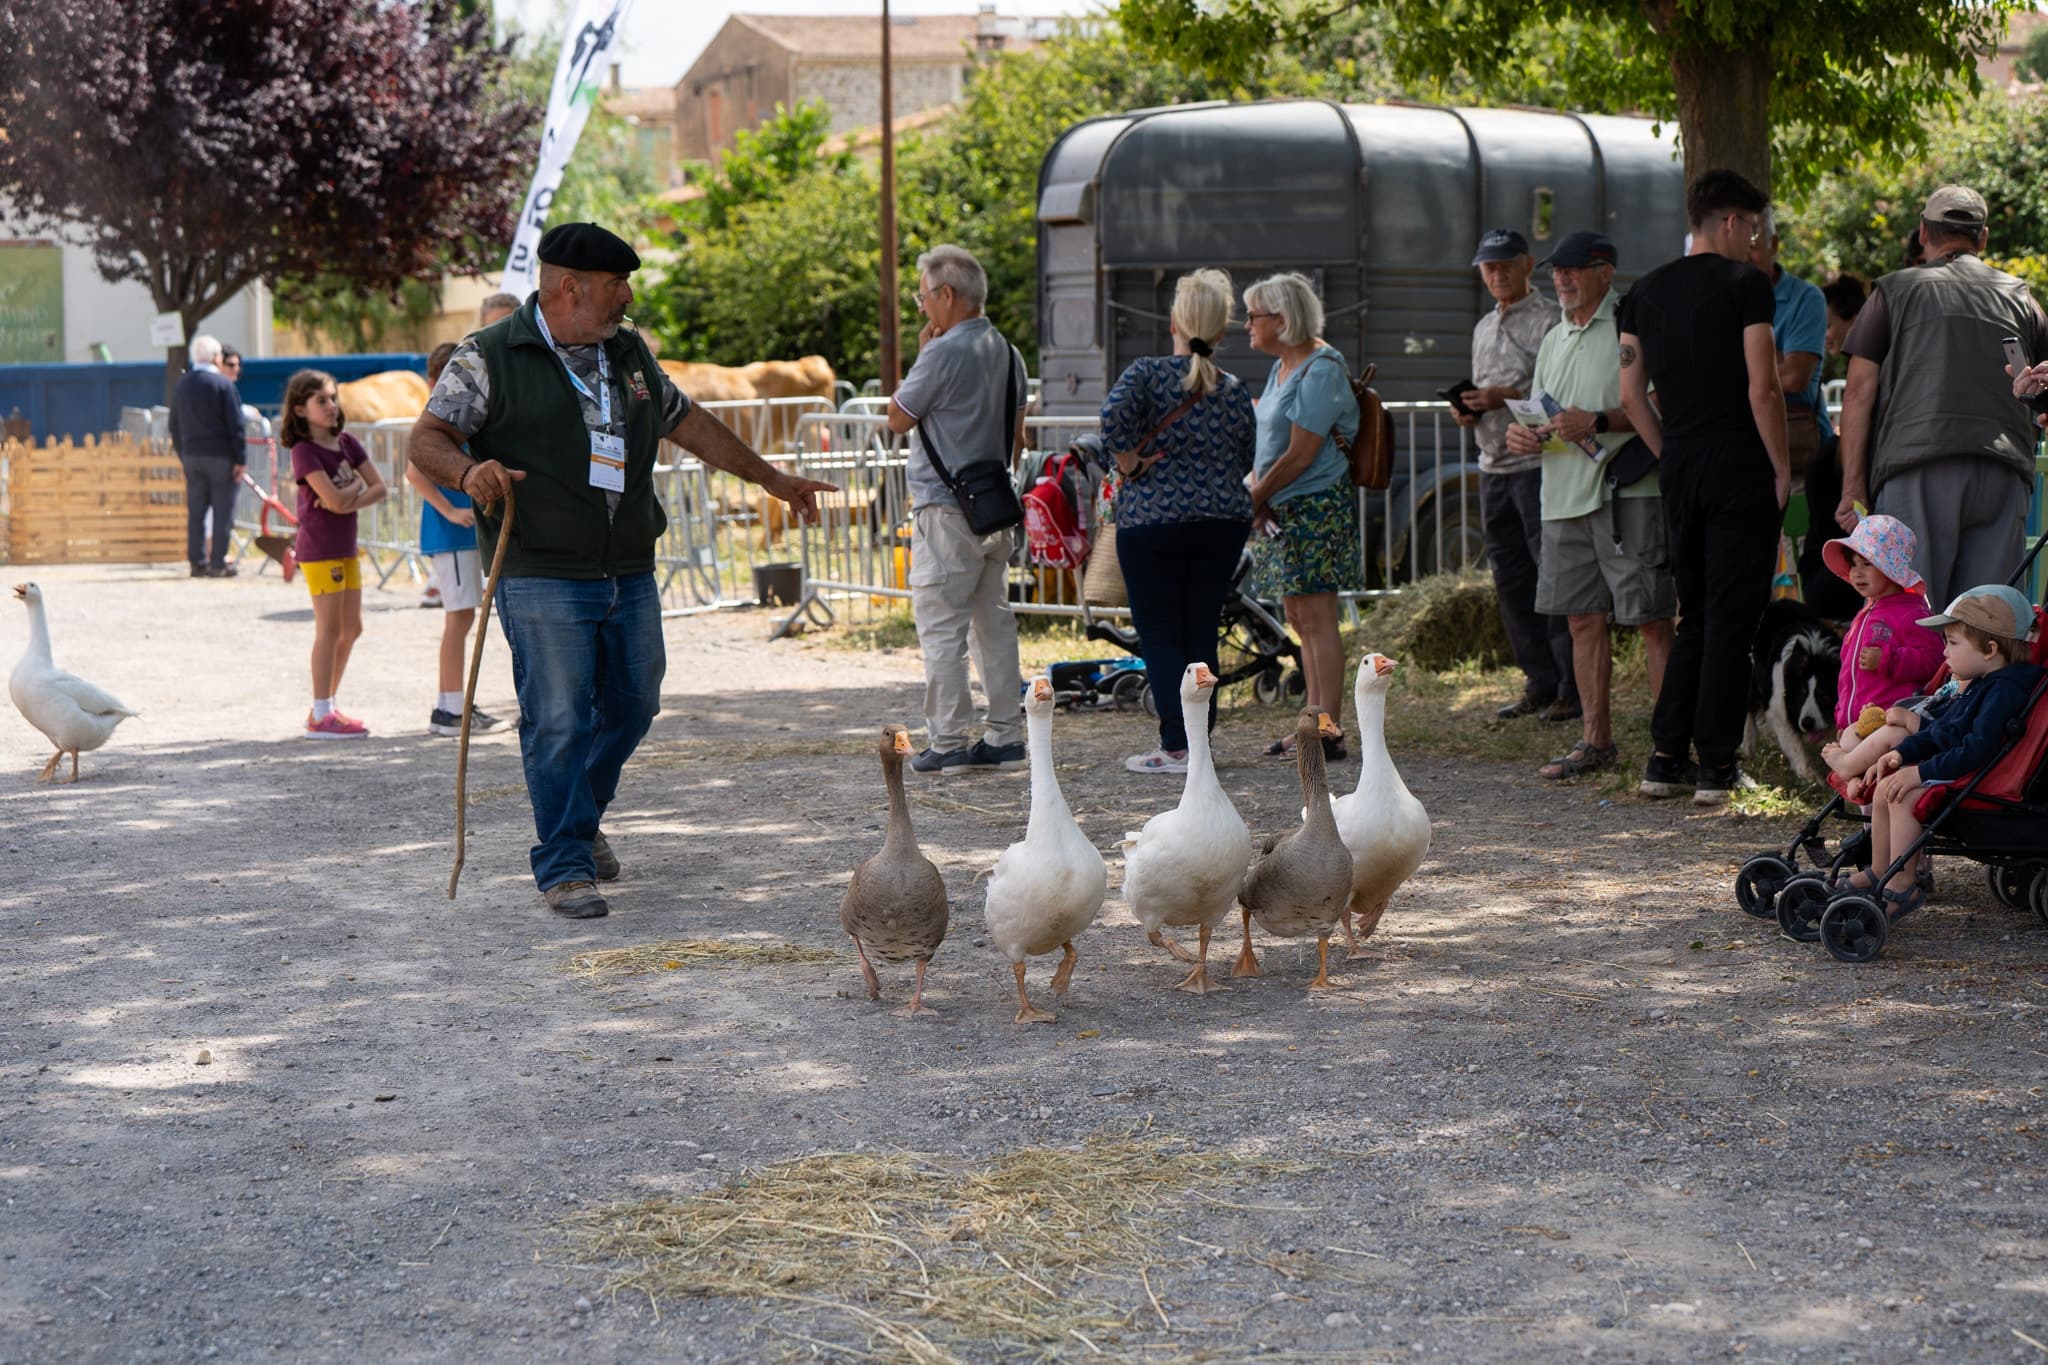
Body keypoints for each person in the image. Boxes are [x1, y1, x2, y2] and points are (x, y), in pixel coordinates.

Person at [406, 222, 833, 920]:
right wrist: (467, 469)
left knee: (636, 700)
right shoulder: (490, 355)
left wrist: (773, 479)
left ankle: (578, 814)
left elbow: (686, 422)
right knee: (559, 715)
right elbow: (426, 438)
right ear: (569, 288)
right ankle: (565, 862)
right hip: (539, 567)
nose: (627, 298)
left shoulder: (626, 350)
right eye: (615, 286)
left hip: (628, 563)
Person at [1618, 168, 1791, 806]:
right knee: (1732, 619)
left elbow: (1630, 395)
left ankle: (1665, 759)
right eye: (1752, 227)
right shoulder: (1748, 285)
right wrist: (1779, 466)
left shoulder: (1643, 291)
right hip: (1741, 463)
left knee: (1694, 616)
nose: (1755, 239)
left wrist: (1671, 452)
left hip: (1682, 468)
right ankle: (1716, 766)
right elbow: (1763, 385)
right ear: (1728, 221)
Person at [1501, 231, 1675, 781]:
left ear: (1605, 271)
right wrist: (1522, 436)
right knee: (1581, 620)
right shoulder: (1554, 337)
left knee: (1650, 620)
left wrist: (1598, 421)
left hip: (1627, 492)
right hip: (1561, 495)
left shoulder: (1632, 323)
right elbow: (1542, 413)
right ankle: (1595, 740)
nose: (1561, 279)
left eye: (1573, 270)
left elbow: (1658, 403)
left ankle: (1667, 747)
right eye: (1556, 271)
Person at [1835, 185, 2048, 610]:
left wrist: (1852, 487)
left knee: (1909, 613)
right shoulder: (2023, 298)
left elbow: (1858, 392)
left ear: (1922, 233)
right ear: (1982, 238)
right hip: (2003, 473)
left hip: (1916, 469)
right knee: (1989, 627)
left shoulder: (1893, 293)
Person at [1096, 269, 1256, 774]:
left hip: (1152, 522)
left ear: (1175, 322)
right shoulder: (1234, 389)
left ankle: (1177, 746)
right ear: (1222, 329)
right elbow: (1246, 456)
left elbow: (1111, 420)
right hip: (1222, 523)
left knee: (1161, 633)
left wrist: (1127, 463)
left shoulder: (1146, 373)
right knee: (1200, 628)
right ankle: (1201, 746)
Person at [885, 244, 1031, 775]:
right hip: (994, 508)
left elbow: (897, 418)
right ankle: (1005, 736)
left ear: (947, 295)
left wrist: (924, 350)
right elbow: (1016, 439)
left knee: (943, 625)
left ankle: (946, 741)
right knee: (994, 623)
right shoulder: (1008, 352)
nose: (922, 308)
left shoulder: (943, 353)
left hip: (944, 510)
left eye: (924, 298)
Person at [1854, 585, 2043, 918]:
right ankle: (1879, 870)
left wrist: (1919, 772)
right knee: (1888, 787)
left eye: (1953, 643)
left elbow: (1976, 748)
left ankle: (1903, 885)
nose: (1944, 654)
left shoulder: (2005, 690)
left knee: (1903, 794)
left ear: (1990, 649)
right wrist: (1901, 754)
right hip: (1964, 772)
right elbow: (1944, 731)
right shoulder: (1982, 684)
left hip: (1978, 782)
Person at [1454, 228, 1573, 722]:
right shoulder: (1483, 326)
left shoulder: (1550, 319)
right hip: (1492, 464)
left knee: (1553, 574)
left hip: (1537, 463)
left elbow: (1555, 396)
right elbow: (1488, 392)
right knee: (1510, 578)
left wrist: (1505, 395)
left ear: (1528, 265)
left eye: (1505, 265)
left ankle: (1571, 684)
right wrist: (1469, 409)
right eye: (1488, 267)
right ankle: (1538, 679)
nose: (1497, 274)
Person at [1244, 271, 1361, 758]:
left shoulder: (1322, 367)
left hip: (1313, 508)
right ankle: (1312, 723)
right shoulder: (1285, 367)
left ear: (1283, 319)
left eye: (1254, 315)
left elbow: (1300, 454)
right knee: (1299, 615)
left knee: (1316, 617)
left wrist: (1253, 497)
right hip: (1286, 507)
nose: (1246, 323)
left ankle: (1327, 731)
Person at [405, 341, 508, 739]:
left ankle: (456, 704)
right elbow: (415, 473)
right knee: (459, 619)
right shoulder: (439, 420)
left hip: (461, 534)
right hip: (452, 532)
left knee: (462, 618)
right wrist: (449, 511)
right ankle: (449, 708)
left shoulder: (460, 416)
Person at [284, 369, 387, 739]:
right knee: (328, 629)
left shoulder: (347, 443)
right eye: (321, 401)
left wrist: (351, 493)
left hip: (346, 546)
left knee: (352, 628)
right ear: (300, 410)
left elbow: (380, 487)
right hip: (320, 549)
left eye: (332, 398)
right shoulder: (304, 451)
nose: (331, 406)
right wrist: (354, 491)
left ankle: (327, 703)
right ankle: (320, 712)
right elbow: (333, 501)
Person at [1814, 515, 1942, 779]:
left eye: (1867, 564)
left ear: (1890, 568)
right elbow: (1847, 678)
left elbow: (1933, 660)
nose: (1856, 572)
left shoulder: (1911, 612)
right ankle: (1867, 821)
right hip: (1860, 722)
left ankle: (1873, 819)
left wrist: (1889, 659)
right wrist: (1842, 718)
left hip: (1888, 720)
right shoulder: (1865, 613)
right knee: (1862, 780)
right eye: (1853, 565)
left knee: (1876, 779)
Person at [1748, 210, 1831, 478]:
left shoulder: (1806, 298)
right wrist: (1775, 357)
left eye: (1753, 245)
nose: (1745, 257)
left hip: (1799, 454)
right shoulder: (1725, 298)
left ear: (1774, 244)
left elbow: (1795, 377)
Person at [167, 334, 245, 579]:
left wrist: (183, 453)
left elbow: (173, 424)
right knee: (223, 511)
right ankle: (218, 563)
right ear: (215, 358)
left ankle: (197, 563)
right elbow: (236, 425)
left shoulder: (181, 385)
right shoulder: (223, 386)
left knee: (197, 511)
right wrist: (240, 459)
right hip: (221, 457)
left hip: (192, 455)